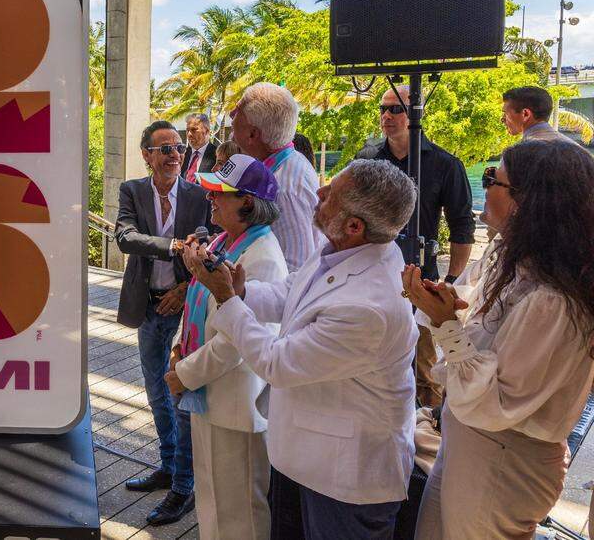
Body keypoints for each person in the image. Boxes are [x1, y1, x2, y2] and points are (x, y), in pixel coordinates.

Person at [188, 159, 419, 540]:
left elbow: (278, 364)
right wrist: (242, 290)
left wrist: (227, 299)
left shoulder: (369, 307)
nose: (319, 191)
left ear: (354, 226)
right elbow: (289, 293)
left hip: (346, 479)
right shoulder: (342, 248)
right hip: (306, 456)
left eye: (331, 194)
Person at [403, 140, 594, 539]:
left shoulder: (553, 300)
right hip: (471, 444)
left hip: (503, 462)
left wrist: (445, 324)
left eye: (493, 179)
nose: (485, 187)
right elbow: (478, 319)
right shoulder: (513, 258)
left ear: (528, 201)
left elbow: (496, 402)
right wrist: (444, 303)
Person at [165, 153, 288, 540]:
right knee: (212, 504)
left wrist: (184, 373)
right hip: (209, 396)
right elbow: (197, 303)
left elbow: (238, 340)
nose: (210, 197)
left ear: (247, 203)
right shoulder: (223, 241)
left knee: (239, 514)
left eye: (220, 192)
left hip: (234, 405)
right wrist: (179, 349)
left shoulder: (263, 257)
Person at [114, 120, 210, 526]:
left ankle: (185, 485)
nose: (175, 154)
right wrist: (172, 246)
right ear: (147, 156)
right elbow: (125, 237)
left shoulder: (199, 195)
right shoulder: (132, 191)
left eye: (179, 148)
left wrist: (185, 288)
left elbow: (210, 244)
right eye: (166, 148)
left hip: (188, 306)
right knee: (156, 390)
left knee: (182, 395)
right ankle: (169, 466)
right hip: (150, 305)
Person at [355, 85, 474, 408]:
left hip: (422, 280)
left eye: (396, 109)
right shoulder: (367, 159)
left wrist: (452, 280)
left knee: (425, 371)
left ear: (416, 114)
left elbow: (462, 225)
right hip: (372, 278)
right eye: (383, 109)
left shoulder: (445, 164)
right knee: (371, 364)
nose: (386, 116)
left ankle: (425, 430)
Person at [229, 83, 319, 272]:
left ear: (252, 134)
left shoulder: (284, 188)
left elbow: (295, 268)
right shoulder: (283, 166)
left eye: (237, 111)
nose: (230, 114)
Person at [502, 85, 567, 142]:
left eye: (506, 114)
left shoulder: (521, 150)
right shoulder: (571, 146)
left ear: (525, 114)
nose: (502, 119)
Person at [181, 113, 218, 181]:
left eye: (194, 130)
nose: (189, 134)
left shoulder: (218, 155)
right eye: (187, 130)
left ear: (207, 131)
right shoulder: (182, 154)